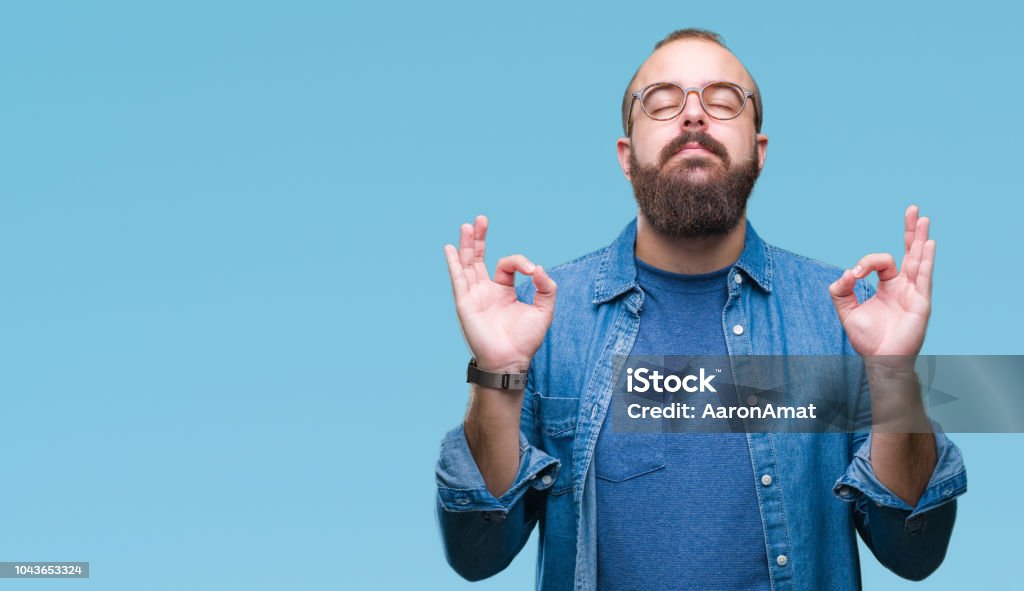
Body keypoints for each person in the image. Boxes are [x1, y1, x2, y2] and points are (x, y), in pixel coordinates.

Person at [435, 28, 966, 591]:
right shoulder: (546, 323)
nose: (692, 117)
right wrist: (498, 374)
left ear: (758, 152)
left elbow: (916, 550)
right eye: (662, 102)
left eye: (722, 100)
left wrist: (892, 374)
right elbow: (478, 551)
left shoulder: (842, 320)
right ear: (625, 154)